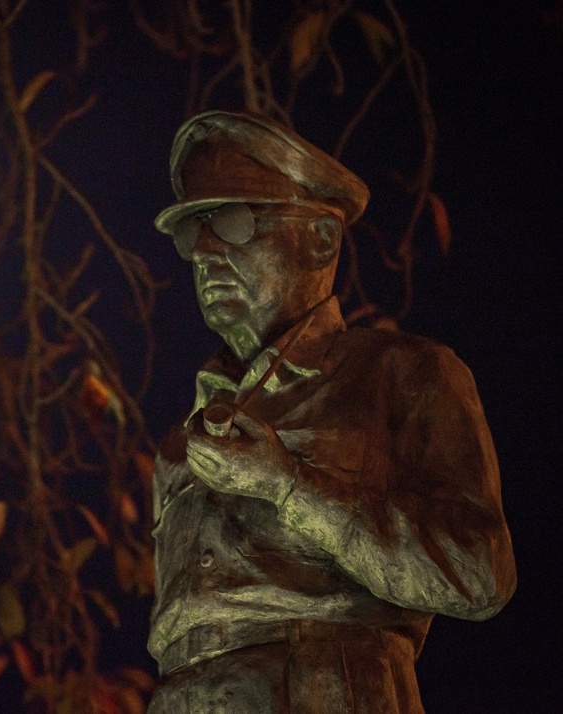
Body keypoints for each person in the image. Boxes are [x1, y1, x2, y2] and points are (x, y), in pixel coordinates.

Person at [147, 110, 516, 713]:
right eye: (194, 233)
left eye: (238, 222)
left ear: (321, 238)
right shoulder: (177, 445)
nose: (206, 252)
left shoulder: (401, 374)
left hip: (329, 690)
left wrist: (289, 484)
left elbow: (480, 575)